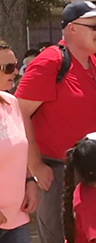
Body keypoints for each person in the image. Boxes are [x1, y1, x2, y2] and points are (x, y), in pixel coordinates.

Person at [17, 3, 96, 242]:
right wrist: (35, 166)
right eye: (94, 27)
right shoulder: (50, 61)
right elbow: (18, 113)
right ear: (71, 28)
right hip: (60, 173)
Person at [0, 40, 36, 243]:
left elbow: (20, 151)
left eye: (16, 64)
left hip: (17, 219)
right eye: (8, 68)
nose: (16, 71)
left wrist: (30, 181)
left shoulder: (11, 102)